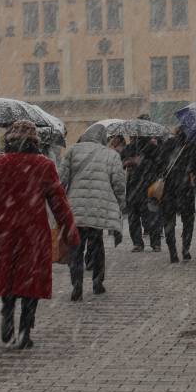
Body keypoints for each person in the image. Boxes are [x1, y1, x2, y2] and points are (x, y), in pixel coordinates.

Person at [0, 121, 78, 349]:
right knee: (31, 280)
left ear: (9, 139)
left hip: (5, 231)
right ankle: (25, 330)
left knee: (8, 277)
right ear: (35, 141)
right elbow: (59, 201)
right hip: (34, 233)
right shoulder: (44, 165)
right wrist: (70, 230)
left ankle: (7, 317)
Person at [59, 126, 126, 301]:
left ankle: (77, 285)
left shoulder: (72, 151)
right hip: (99, 207)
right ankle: (97, 282)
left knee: (76, 248)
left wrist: (60, 203)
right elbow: (119, 183)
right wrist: (120, 203)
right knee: (97, 245)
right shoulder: (111, 155)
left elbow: (61, 180)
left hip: (76, 207)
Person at [159, 130, 195, 263]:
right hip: (185, 190)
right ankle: (185, 249)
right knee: (188, 221)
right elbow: (195, 168)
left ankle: (173, 252)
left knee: (169, 222)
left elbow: (159, 166)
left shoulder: (166, 146)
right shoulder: (190, 148)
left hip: (168, 190)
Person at [124, 138, 162, 252]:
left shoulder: (153, 148)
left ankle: (154, 243)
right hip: (135, 186)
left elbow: (160, 164)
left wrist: (143, 161)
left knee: (151, 216)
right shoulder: (130, 147)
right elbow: (122, 162)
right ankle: (139, 243)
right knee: (135, 217)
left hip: (148, 186)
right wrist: (130, 161)